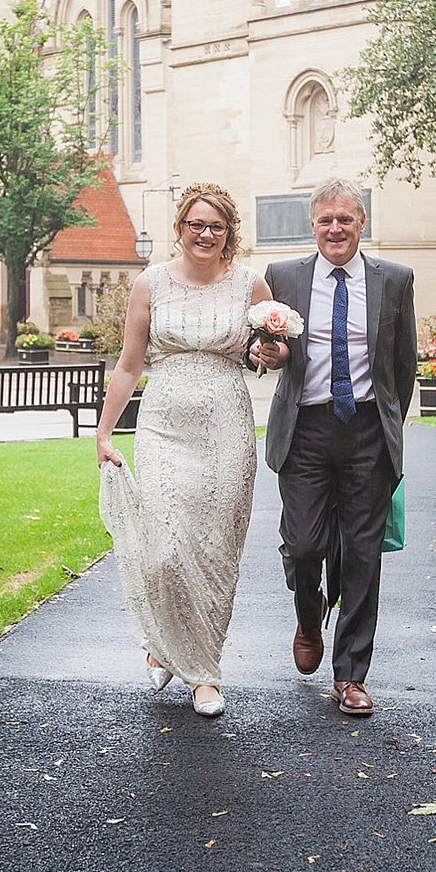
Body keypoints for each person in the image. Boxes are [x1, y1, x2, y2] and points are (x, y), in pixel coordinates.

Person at [97, 182, 271, 718]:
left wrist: (271, 348)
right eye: (196, 224)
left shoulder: (250, 284)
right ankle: (164, 640)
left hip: (227, 427)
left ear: (229, 233)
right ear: (180, 228)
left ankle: (204, 675)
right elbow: (129, 363)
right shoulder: (150, 284)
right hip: (163, 427)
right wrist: (104, 432)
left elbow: (270, 354)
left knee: (216, 554)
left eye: (215, 226)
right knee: (166, 551)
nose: (205, 234)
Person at [250, 179, 417, 716]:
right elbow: (267, 348)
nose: (336, 229)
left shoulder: (394, 279)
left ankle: (350, 675)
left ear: (362, 223)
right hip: (305, 430)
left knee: (362, 556)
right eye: (326, 220)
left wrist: (387, 423)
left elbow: (403, 364)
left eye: (346, 219)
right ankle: (308, 613)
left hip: (367, 430)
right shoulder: (283, 278)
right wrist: (267, 353)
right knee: (302, 547)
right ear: (313, 226)